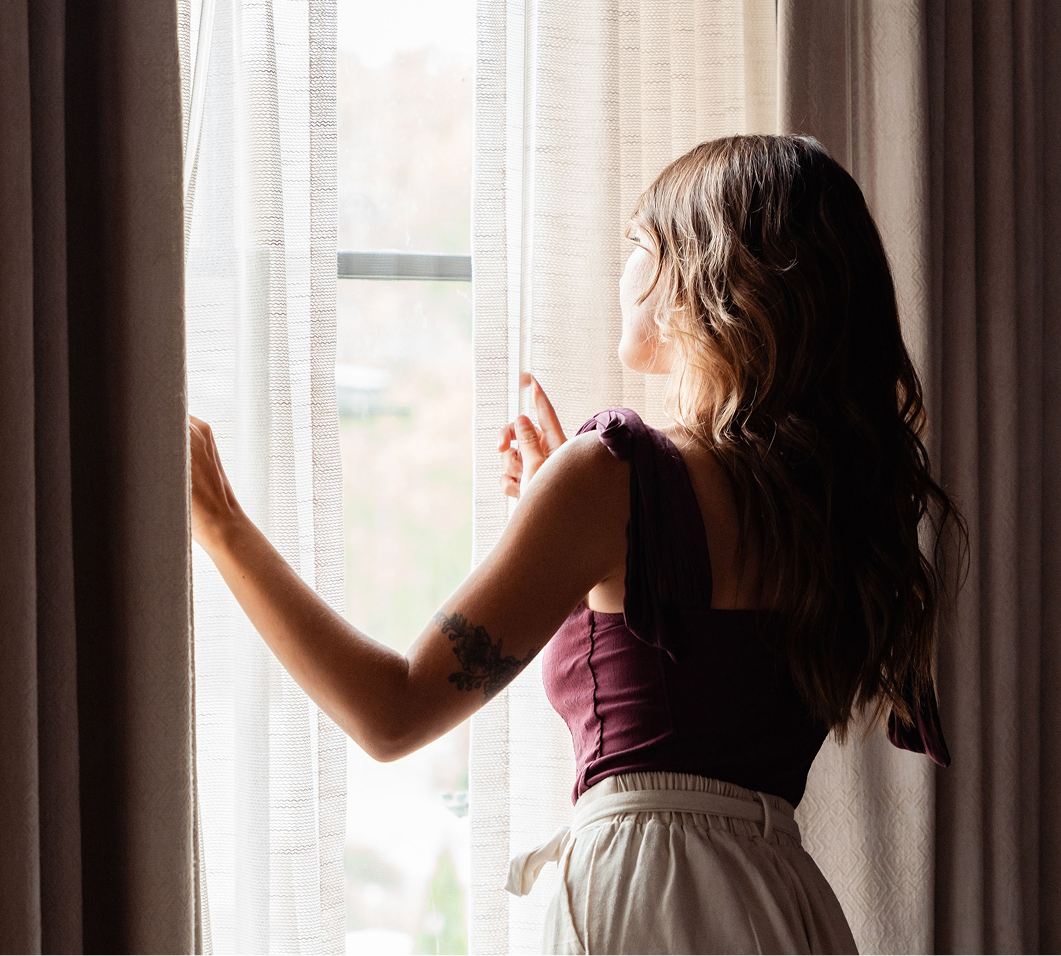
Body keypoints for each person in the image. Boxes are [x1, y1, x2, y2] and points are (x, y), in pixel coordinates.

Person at [189, 133, 967, 954]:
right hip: (786, 906)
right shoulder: (829, 505)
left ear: (701, 275)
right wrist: (568, 516)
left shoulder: (613, 476)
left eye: (638, 243)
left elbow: (391, 714)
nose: (623, 270)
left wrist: (223, 522)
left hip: (646, 900)